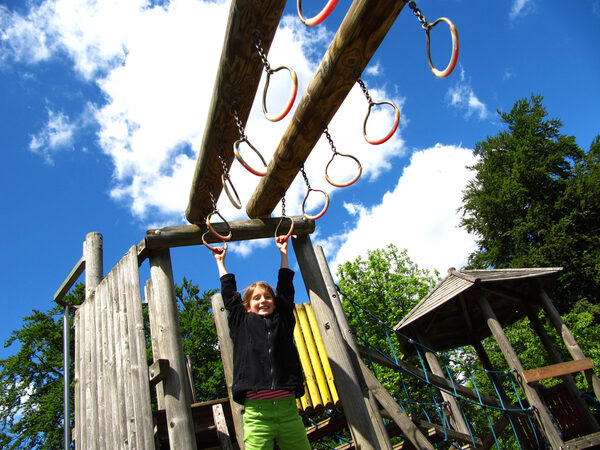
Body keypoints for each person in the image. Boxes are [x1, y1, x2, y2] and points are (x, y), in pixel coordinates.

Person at [213, 237, 311, 450]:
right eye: (256, 298)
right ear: (247, 306)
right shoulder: (241, 322)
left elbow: (285, 289)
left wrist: (283, 253)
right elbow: (229, 296)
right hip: (257, 413)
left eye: (267, 297)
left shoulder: (283, 319)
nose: (263, 300)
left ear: (275, 303)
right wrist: (220, 261)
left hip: (288, 410)